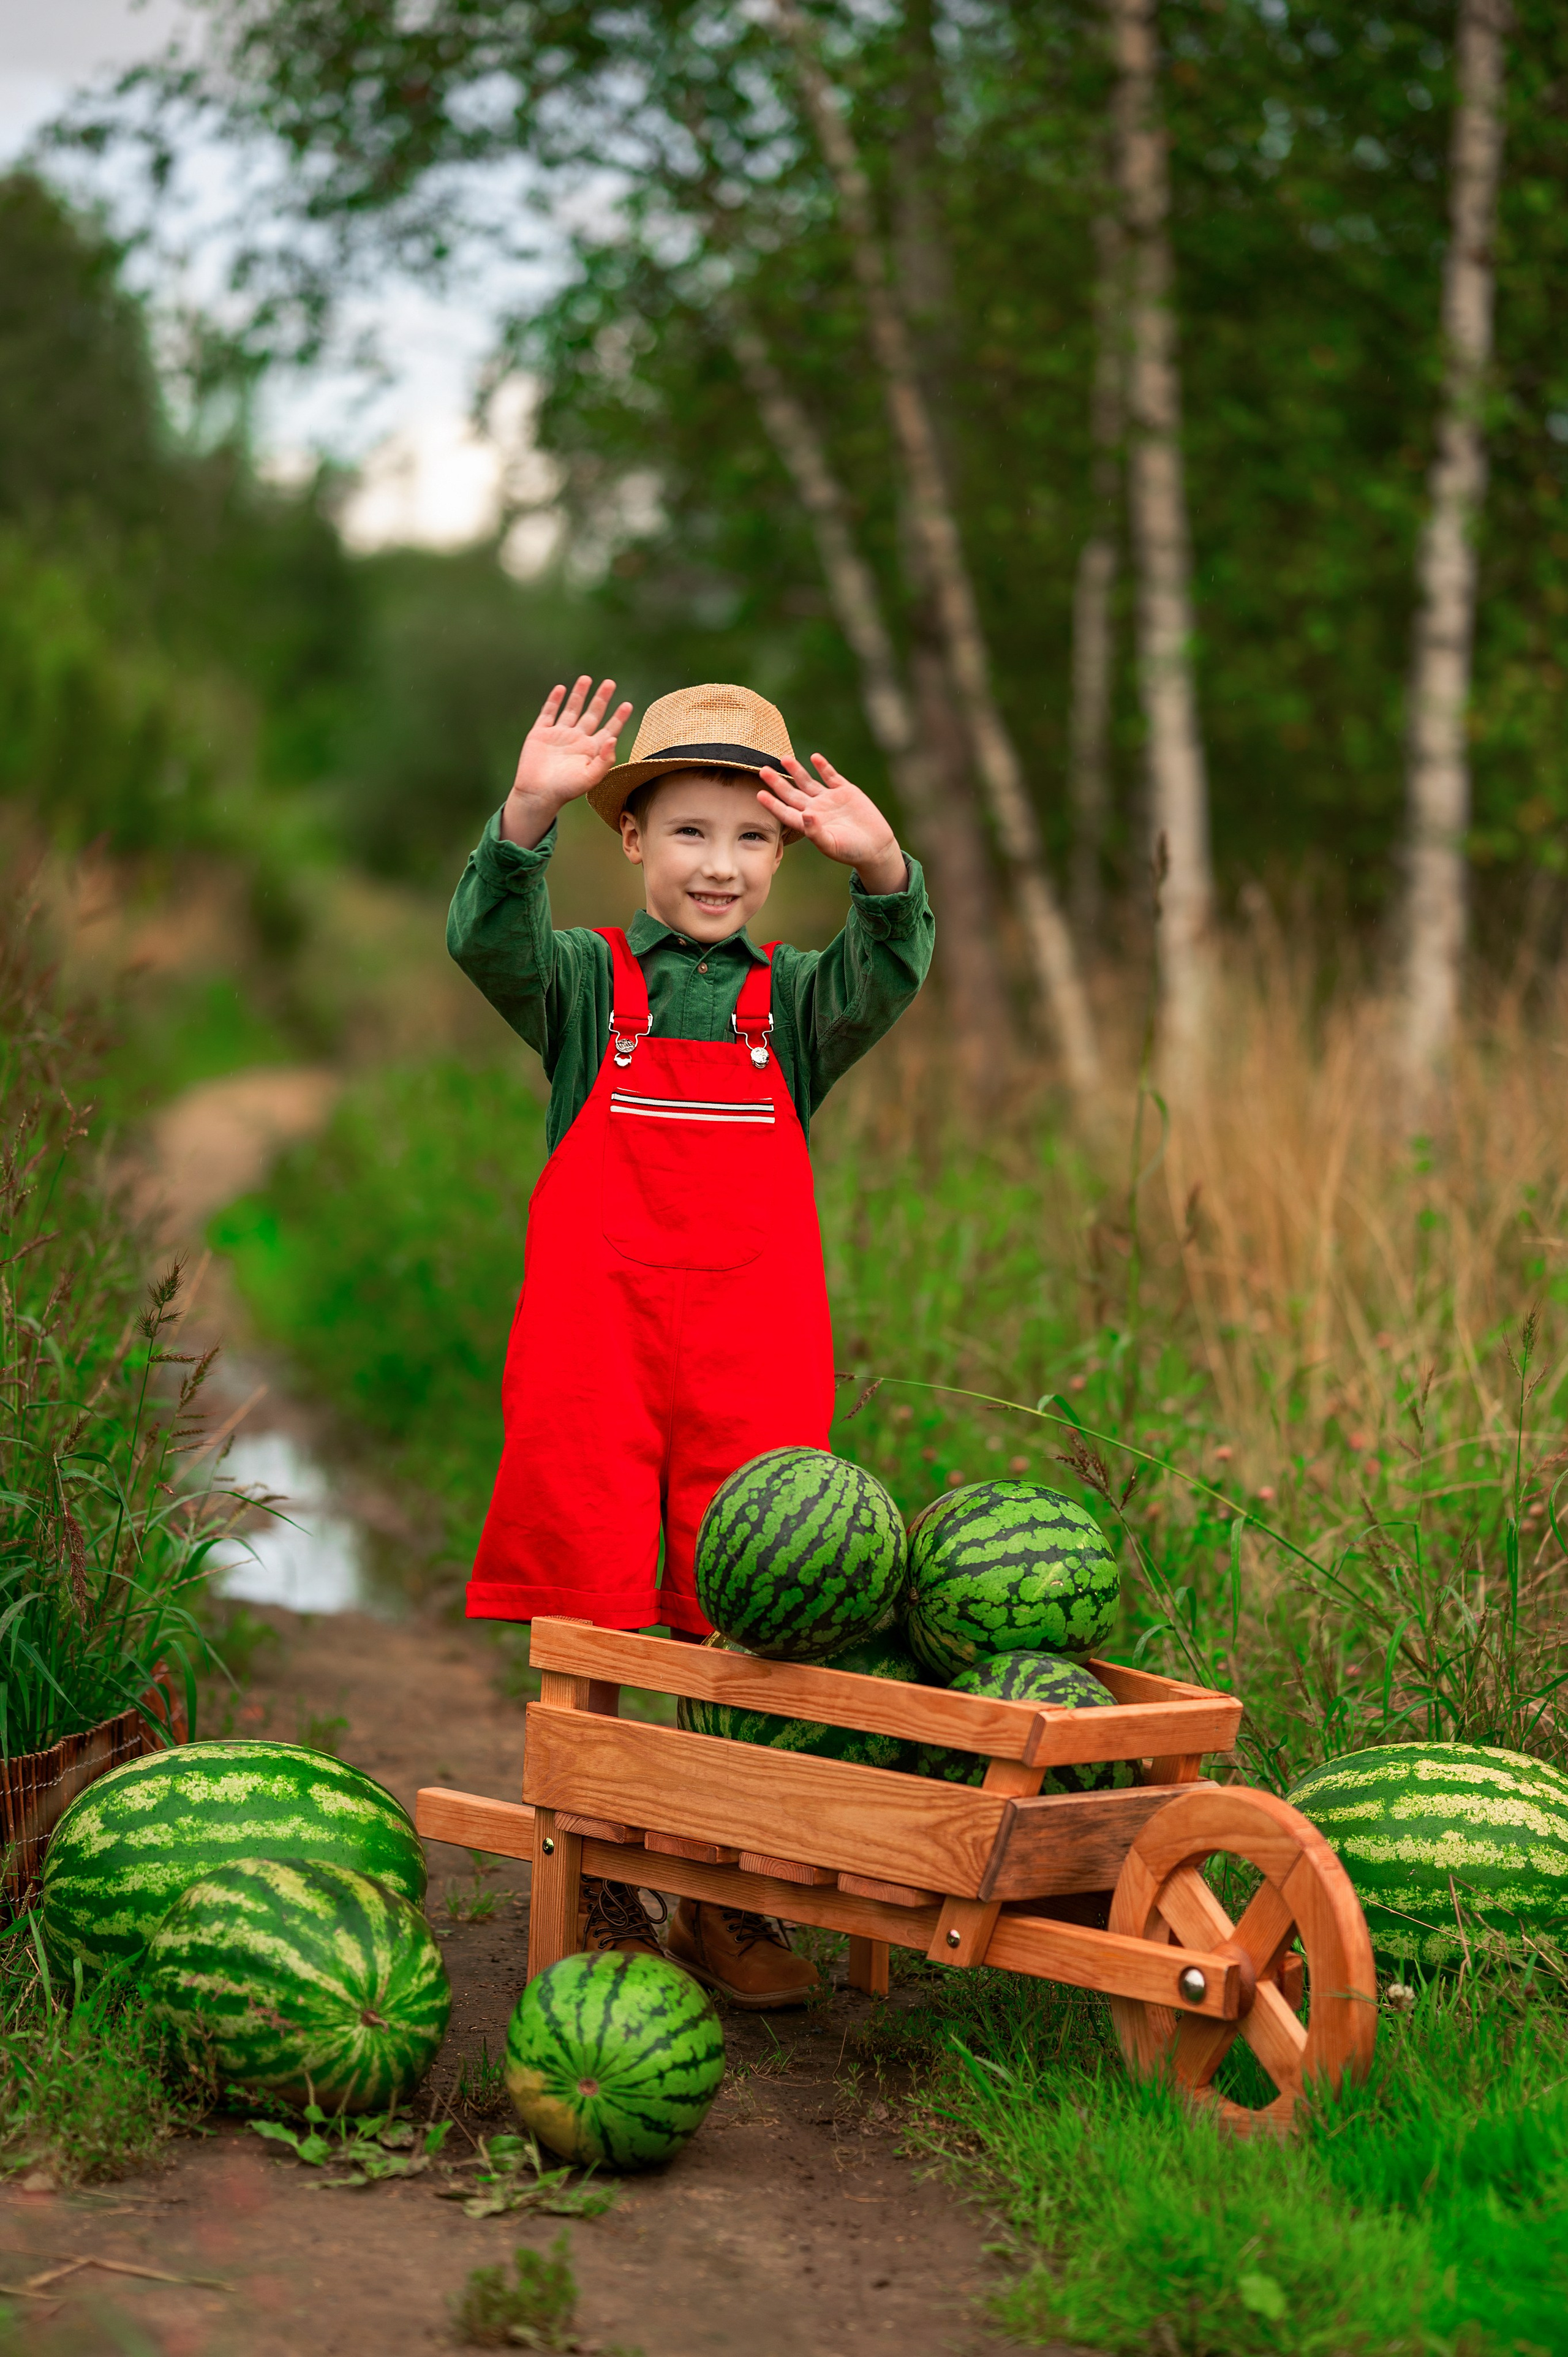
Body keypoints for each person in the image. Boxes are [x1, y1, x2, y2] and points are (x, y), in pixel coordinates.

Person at [448, 676, 933, 2005]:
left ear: (786, 852)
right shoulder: (577, 985)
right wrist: (522, 819)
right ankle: (601, 1876)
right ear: (633, 842)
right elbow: (486, 940)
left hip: (752, 1359)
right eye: (688, 832)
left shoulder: (796, 1006)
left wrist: (883, 867)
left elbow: (889, 966)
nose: (718, 865)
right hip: (591, 1347)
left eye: (750, 837)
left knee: (754, 1611)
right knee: (595, 1597)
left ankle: (727, 1889)